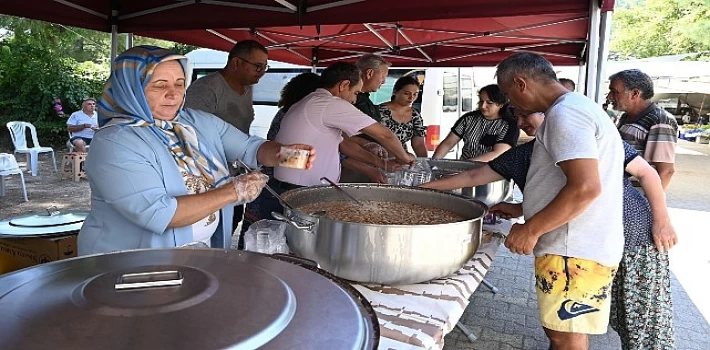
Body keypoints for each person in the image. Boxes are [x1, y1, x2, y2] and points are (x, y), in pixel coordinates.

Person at [420, 108, 678, 350]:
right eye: (517, 117)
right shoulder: (528, 152)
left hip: (625, 235)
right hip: (585, 244)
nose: (520, 123)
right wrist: (521, 208)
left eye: (525, 114)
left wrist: (662, 220)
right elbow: (475, 176)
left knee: (637, 319)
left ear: (550, 111)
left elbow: (644, 175)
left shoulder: (585, 136)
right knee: (571, 323)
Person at [77, 46, 315, 255]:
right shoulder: (115, 142)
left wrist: (291, 156)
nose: (174, 94)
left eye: (180, 84)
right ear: (131, 89)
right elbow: (162, 214)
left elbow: (249, 148)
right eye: (160, 86)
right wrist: (233, 191)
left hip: (191, 258)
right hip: (130, 266)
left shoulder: (194, 122)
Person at [495, 52, 625, 350]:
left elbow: (585, 188)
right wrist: (521, 209)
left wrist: (531, 229)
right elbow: (568, 183)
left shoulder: (566, 114)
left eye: (507, 93)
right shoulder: (579, 107)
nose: (510, 103)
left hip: (573, 249)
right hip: (580, 244)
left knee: (564, 335)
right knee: (564, 331)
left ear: (520, 83)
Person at [184, 39, 269, 233]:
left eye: (265, 67)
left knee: (231, 222)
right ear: (236, 63)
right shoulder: (206, 89)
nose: (262, 72)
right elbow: (189, 135)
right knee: (208, 227)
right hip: (207, 177)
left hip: (234, 172)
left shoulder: (247, 88)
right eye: (257, 66)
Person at [240, 72, 321, 239]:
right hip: (274, 185)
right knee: (265, 238)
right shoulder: (298, 115)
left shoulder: (286, 111)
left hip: (269, 182)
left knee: (257, 238)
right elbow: (269, 151)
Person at [608, 69, 678, 190]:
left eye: (614, 92)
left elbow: (666, 171)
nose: (610, 97)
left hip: (636, 194)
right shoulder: (626, 116)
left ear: (635, 94)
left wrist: (648, 205)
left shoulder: (660, 121)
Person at [339, 54, 395, 183]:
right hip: (352, 167)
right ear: (369, 73)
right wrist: (402, 157)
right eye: (383, 76)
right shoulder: (346, 100)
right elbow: (341, 138)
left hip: (369, 163)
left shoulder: (366, 99)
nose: (384, 82)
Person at [432, 84, 519, 161]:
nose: (483, 106)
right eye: (481, 101)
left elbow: (498, 153)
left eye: (489, 103)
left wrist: (466, 166)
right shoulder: (468, 119)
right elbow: (448, 143)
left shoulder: (509, 125)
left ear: (501, 105)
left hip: (491, 173)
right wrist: (433, 163)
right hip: (463, 172)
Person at [377, 76, 428, 157]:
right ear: (395, 92)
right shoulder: (380, 111)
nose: (411, 98)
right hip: (378, 156)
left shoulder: (415, 115)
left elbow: (419, 144)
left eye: (415, 94)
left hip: (402, 159)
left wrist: (426, 163)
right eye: (407, 93)